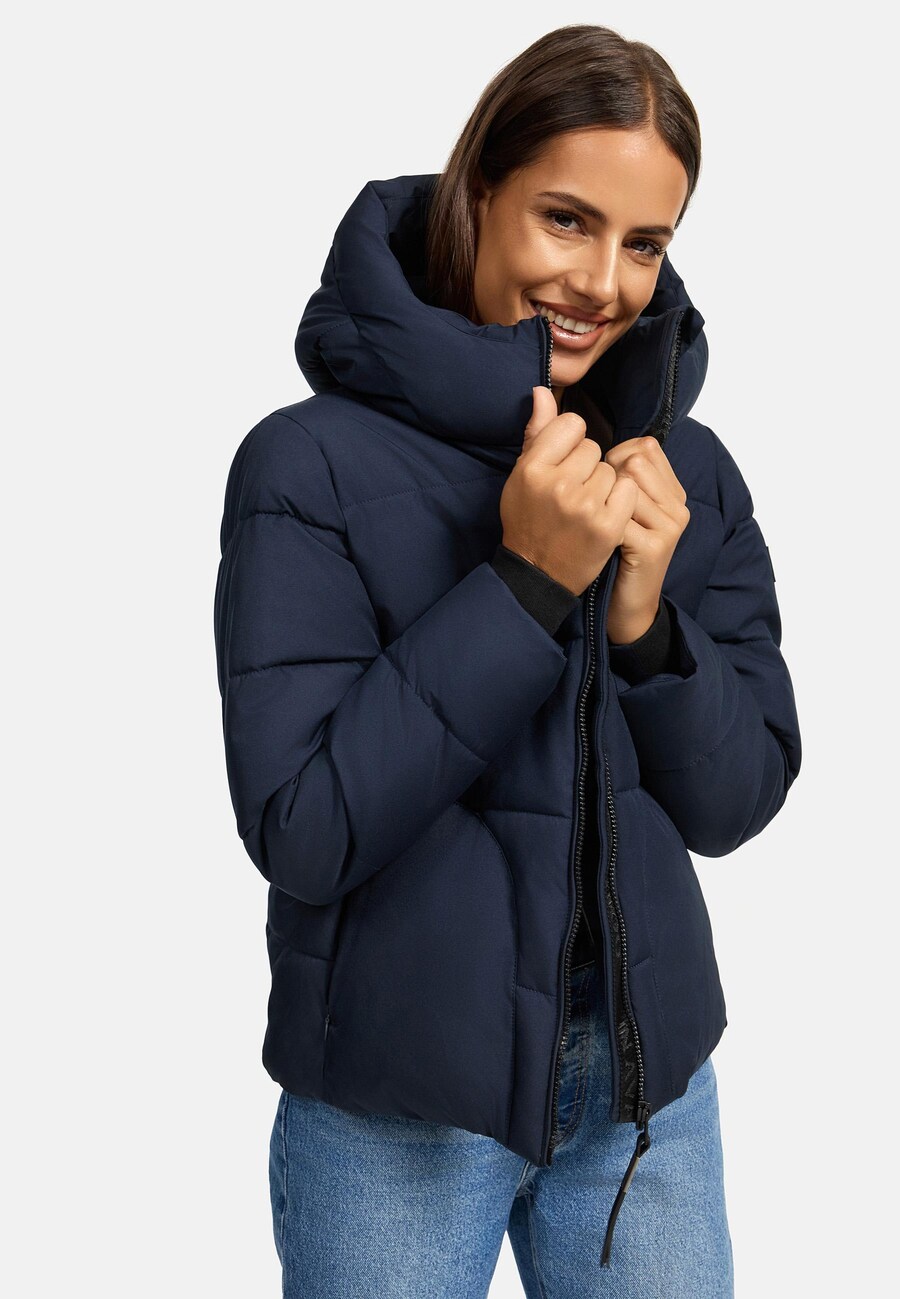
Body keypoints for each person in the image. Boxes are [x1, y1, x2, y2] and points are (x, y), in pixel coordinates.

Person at [213, 22, 802, 1298]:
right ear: (479, 192)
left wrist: (646, 628)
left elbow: (740, 799)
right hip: (395, 1114)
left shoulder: (684, 471)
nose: (602, 282)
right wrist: (526, 584)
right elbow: (303, 828)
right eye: (566, 220)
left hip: (647, 1103)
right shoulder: (307, 465)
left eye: (644, 243)